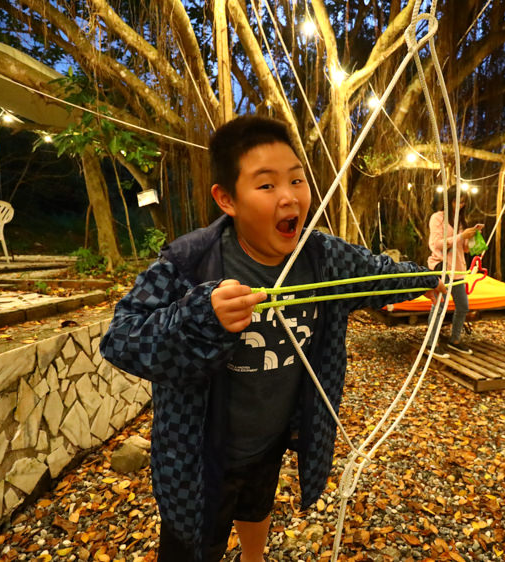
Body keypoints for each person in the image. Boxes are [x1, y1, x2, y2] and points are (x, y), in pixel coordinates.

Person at [100, 115, 444, 562]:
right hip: (199, 451)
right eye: (266, 186)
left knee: (257, 501)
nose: (289, 196)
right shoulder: (189, 261)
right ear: (227, 199)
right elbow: (121, 338)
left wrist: (426, 279)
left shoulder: (321, 255)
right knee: (191, 538)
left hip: (272, 432)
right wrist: (201, 316)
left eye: (297, 180)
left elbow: (376, 276)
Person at [426, 186, 484, 355]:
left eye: (463, 202)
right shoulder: (438, 218)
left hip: (458, 270)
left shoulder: (460, 221)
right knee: (438, 307)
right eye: (457, 201)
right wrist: (461, 236)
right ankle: (431, 343)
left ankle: (455, 339)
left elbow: (464, 249)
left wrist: (473, 238)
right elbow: (436, 243)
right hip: (442, 269)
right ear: (449, 200)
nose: (460, 205)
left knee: (463, 306)